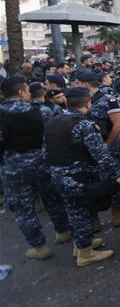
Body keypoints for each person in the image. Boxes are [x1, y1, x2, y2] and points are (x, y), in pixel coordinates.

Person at [45, 87, 120, 267]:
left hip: (57, 174)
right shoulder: (84, 125)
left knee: (73, 210)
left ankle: (81, 244)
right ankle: (85, 254)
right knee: (82, 212)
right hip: (77, 177)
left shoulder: (54, 120)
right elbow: (101, 155)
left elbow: (46, 150)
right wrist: (118, 176)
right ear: (88, 103)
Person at [0, 76, 71, 259]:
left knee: (23, 209)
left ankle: (40, 247)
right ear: (21, 92)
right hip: (42, 161)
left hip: (12, 167)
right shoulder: (41, 111)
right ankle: (63, 231)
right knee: (53, 198)